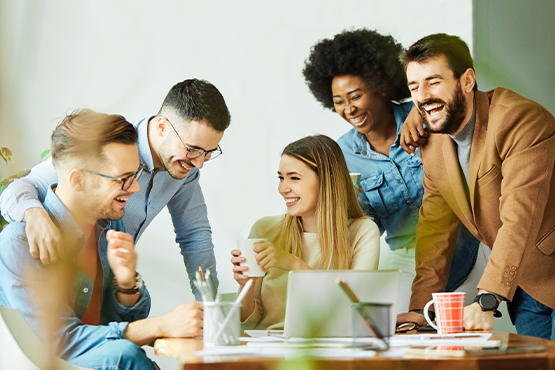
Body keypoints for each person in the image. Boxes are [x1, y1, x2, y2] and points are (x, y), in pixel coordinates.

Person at [0, 110, 203, 369]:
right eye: (123, 179)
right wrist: (162, 324)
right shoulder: (19, 245)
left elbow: (123, 322)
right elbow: (63, 342)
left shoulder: (108, 231)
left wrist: (127, 283)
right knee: (125, 356)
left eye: (136, 174)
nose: (136, 188)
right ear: (78, 180)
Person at [0, 78, 231, 300]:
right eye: (193, 149)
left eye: (208, 153)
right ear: (162, 127)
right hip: (61, 287)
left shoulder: (185, 171)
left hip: (110, 296)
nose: (199, 163)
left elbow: (195, 236)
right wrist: (34, 215)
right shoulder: (110, 144)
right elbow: (19, 187)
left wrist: (209, 306)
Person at [302, 29, 481, 313]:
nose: (349, 109)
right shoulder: (342, 155)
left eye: (355, 95)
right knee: (397, 328)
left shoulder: (427, 113)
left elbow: (464, 111)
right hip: (408, 261)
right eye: (338, 102)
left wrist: (418, 111)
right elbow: (362, 227)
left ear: (380, 86)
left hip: (467, 249)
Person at [396, 33, 555, 339]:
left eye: (433, 81)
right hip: (525, 287)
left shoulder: (521, 121)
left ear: (467, 81)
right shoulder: (433, 144)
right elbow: (434, 233)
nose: (422, 95)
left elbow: (520, 219)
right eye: (414, 86)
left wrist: (487, 298)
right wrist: (419, 311)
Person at [230, 135, 380, 330]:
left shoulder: (362, 232)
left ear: (326, 181)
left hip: (329, 351)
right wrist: (246, 286)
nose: (283, 188)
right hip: (268, 351)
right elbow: (247, 323)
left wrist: (293, 264)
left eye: (294, 178)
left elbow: (354, 314)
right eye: (281, 178)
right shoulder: (264, 229)